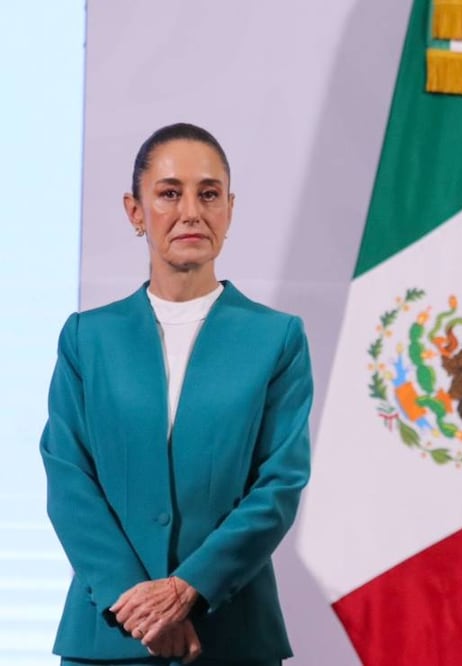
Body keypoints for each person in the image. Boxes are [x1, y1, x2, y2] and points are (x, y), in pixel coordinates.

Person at [40, 123, 313, 665]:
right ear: (135, 211)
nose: (191, 211)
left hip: (231, 638)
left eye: (208, 194)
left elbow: (278, 486)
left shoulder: (276, 338)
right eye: (169, 193)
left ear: (229, 210)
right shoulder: (86, 337)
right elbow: (68, 476)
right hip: (106, 638)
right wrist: (135, 603)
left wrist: (189, 589)